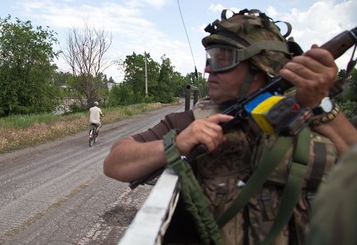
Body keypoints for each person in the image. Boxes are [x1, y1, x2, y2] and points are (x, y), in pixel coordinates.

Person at [104, 8, 357, 244]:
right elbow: (115, 162)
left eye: (221, 59)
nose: (207, 69)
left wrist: (321, 106)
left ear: (259, 67)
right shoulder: (191, 122)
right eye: (209, 58)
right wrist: (175, 143)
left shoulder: (306, 112)